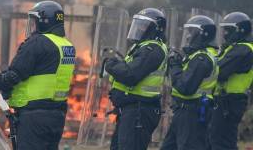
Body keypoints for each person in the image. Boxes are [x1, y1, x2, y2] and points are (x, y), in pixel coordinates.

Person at [0, 1, 75, 150]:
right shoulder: (66, 46)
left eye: (35, 21)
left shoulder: (37, 43)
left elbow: (15, 75)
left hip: (33, 116)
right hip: (57, 114)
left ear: (44, 21)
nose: (33, 26)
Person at [105, 8, 167, 150]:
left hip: (139, 111)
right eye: (138, 24)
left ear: (156, 28)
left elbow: (131, 75)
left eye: (144, 25)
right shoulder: (141, 47)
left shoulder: (153, 49)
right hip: (131, 109)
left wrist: (111, 65)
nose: (139, 28)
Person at [161, 15, 218, 150]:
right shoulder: (197, 55)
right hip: (184, 111)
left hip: (192, 112)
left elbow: (185, 87)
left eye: (192, 32)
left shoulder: (202, 58)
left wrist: (174, 65)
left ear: (202, 34)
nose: (187, 36)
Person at [209, 12, 253, 150]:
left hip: (230, 101)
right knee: (216, 140)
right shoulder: (233, 48)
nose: (225, 34)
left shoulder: (243, 49)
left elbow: (219, 71)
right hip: (224, 100)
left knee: (222, 142)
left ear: (239, 30)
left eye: (228, 30)